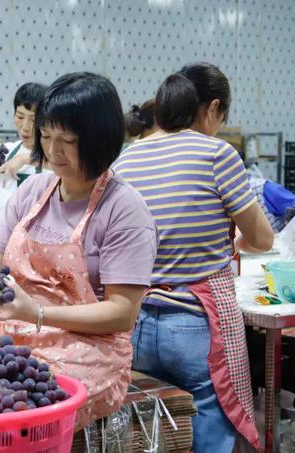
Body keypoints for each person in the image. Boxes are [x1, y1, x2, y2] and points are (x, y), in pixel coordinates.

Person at [0, 72, 158, 429]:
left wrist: (36, 312)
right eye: (46, 136)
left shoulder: (124, 210)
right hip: (17, 341)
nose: (53, 151)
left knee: (19, 413)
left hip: (90, 354)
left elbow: (122, 313)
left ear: (99, 140)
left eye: (67, 140)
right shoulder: (33, 191)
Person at [114, 63, 274, 452]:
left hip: (135, 323)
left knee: (157, 434)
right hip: (194, 324)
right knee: (206, 429)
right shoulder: (217, 154)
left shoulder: (125, 160)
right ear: (214, 108)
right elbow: (262, 238)